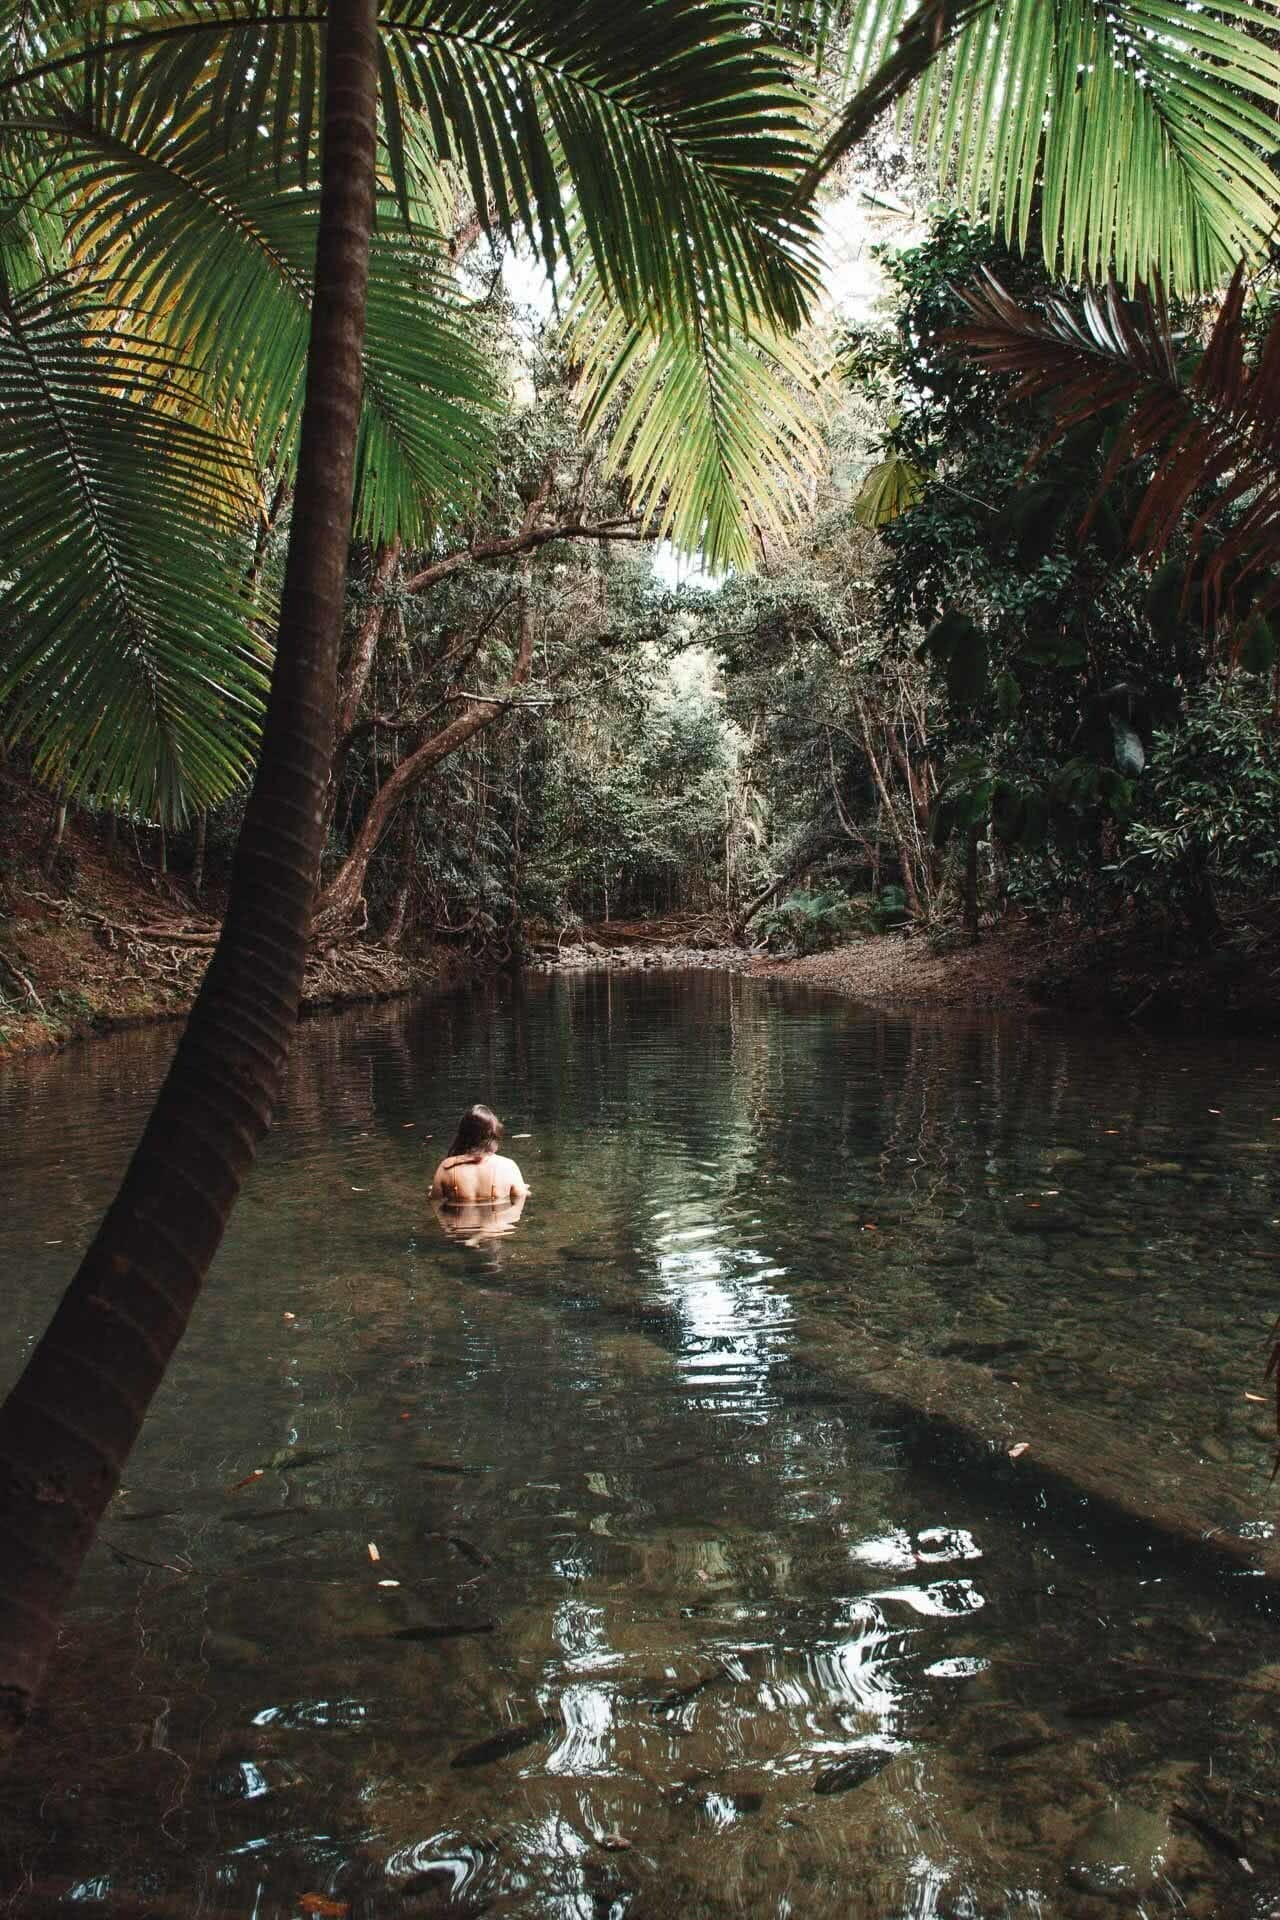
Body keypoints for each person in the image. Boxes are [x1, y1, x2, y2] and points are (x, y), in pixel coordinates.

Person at [431, 1104, 530, 1208]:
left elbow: (435, 1200)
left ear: (462, 1134)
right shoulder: (508, 1166)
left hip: (457, 1224)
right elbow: (520, 1197)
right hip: (500, 1224)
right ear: (493, 1133)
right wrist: (524, 1190)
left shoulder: (446, 1167)